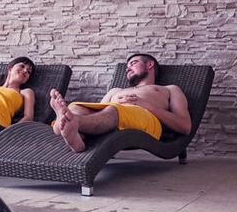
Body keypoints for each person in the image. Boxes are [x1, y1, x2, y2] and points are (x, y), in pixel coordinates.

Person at [49, 53, 191, 153]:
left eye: (133, 63)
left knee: (113, 110)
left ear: (150, 64)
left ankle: (64, 122)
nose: (128, 68)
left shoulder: (169, 89)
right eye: (127, 66)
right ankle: (77, 139)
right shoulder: (116, 90)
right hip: (112, 116)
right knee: (76, 107)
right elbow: (98, 115)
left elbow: (185, 126)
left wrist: (149, 107)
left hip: (146, 121)